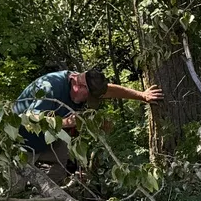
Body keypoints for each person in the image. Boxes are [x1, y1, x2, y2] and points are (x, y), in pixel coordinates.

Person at [13, 67, 162, 181]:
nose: (87, 101)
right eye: (88, 97)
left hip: (48, 138)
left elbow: (110, 90)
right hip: (21, 142)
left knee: (61, 166)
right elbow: (31, 119)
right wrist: (65, 122)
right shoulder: (50, 88)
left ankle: (46, 198)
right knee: (16, 187)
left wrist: (142, 96)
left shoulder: (85, 82)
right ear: (78, 85)